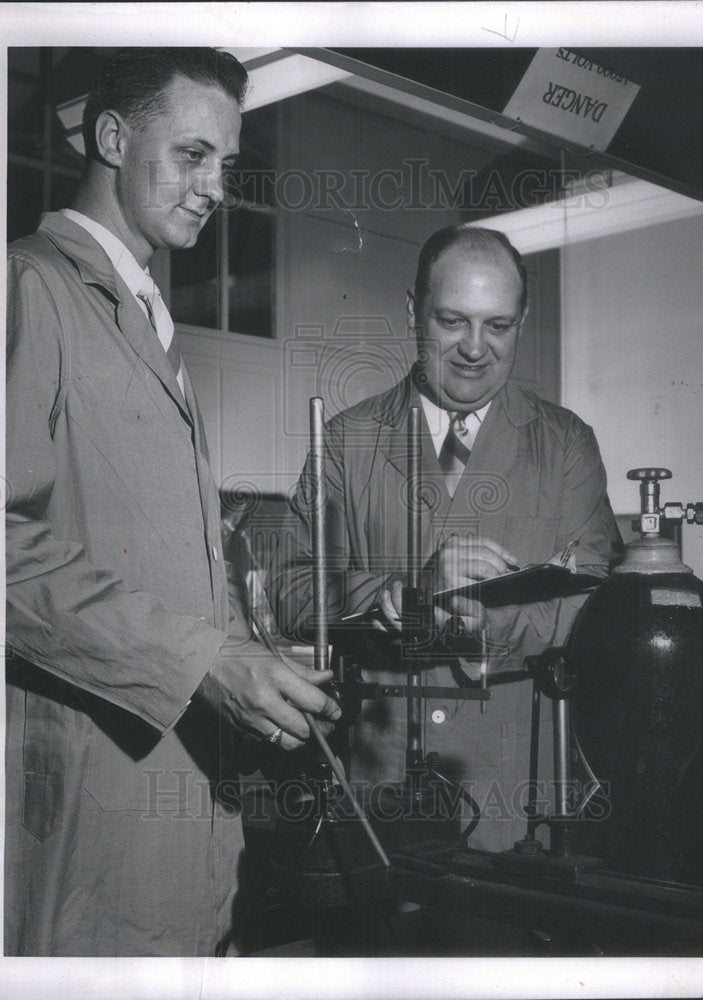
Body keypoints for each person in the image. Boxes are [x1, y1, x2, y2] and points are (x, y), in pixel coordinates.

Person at [5, 47, 340, 957]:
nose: (214, 188)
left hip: (174, 792)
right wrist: (203, 660)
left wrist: (252, 666)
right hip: (84, 795)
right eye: (192, 155)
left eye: (224, 164)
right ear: (113, 138)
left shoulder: (141, 314)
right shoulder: (29, 287)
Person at [266, 226, 621, 853]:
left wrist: (485, 624)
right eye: (452, 321)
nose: (475, 349)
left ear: (522, 320)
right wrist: (407, 594)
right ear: (413, 311)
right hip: (378, 793)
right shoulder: (346, 441)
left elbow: (596, 603)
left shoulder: (566, 444)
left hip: (521, 795)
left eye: (498, 326)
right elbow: (291, 589)